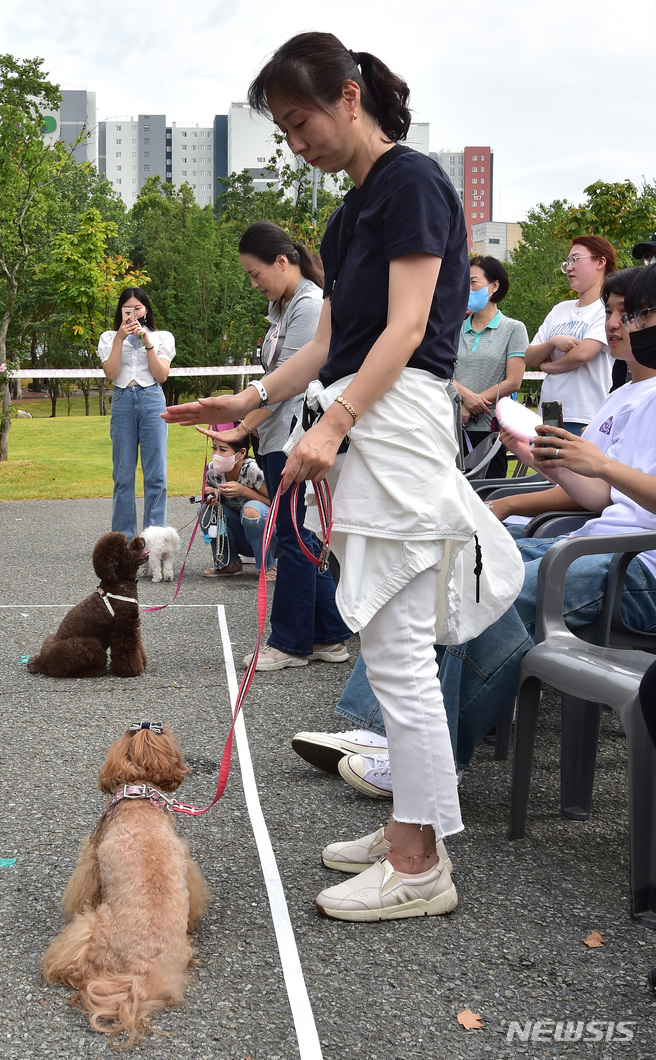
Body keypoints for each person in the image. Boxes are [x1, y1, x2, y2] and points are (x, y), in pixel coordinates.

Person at [163, 32, 523, 922]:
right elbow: (329, 344)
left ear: (350, 96)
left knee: (398, 654)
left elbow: (406, 331)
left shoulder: (413, 183)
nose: (297, 145)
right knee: (387, 648)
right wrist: (249, 403)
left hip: (394, 424)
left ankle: (418, 861)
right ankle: (411, 828)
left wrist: (335, 422)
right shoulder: (348, 213)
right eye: (284, 131)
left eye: (301, 122)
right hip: (368, 421)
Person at [292, 266, 656, 794]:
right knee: (455, 567)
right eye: (615, 312)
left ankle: (431, 762)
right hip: (593, 546)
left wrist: (598, 465)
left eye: (636, 314)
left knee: (500, 590)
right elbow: (601, 497)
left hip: (638, 566)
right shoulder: (623, 396)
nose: (619, 324)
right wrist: (546, 460)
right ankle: (382, 730)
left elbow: (610, 484)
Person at [200, 221, 351, 669]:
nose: (254, 284)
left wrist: (241, 427)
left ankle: (290, 643)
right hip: (277, 438)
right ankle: (328, 636)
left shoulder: (309, 304)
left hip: (292, 440)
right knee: (296, 534)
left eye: (255, 273)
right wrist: (245, 429)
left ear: (282, 262)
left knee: (293, 537)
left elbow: (287, 383)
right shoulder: (285, 308)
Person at [98, 288, 175, 540]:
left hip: (151, 398)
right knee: (123, 474)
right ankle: (124, 539)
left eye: (138, 308)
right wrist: (120, 339)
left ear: (146, 309)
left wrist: (147, 342)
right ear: (120, 311)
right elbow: (111, 374)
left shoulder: (162, 337)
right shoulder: (109, 337)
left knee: (156, 474)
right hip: (122, 399)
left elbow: (161, 375)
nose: (133, 314)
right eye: (127, 309)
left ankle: (154, 539)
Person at [525, 235, 616, 435]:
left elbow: (582, 354)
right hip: (548, 414)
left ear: (601, 262)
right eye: (567, 262)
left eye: (576, 259)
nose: (569, 268)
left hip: (584, 416)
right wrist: (552, 342)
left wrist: (547, 366)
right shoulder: (559, 310)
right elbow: (529, 357)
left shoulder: (606, 309)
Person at [454, 255, 527, 478]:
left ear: (494, 286)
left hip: (491, 429)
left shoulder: (513, 329)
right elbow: (444, 373)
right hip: (451, 426)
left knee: (488, 490)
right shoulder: (454, 329)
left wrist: (472, 404)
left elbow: (513, 382)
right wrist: (464, 397)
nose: (467, 288)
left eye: (473, 282)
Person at [199, 436, 276, 579]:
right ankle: (228, 563)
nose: (216, 455)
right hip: (241, 535)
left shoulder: (254, 470)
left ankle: (268, 565)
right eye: (214, 448)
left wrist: (244, 491)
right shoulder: (212, 470)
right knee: (206, 509)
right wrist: (212, 494)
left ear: (242, 453)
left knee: (251, 509)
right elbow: (208, 491)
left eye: (223, 450)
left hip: (273, 537)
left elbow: (277, 503)